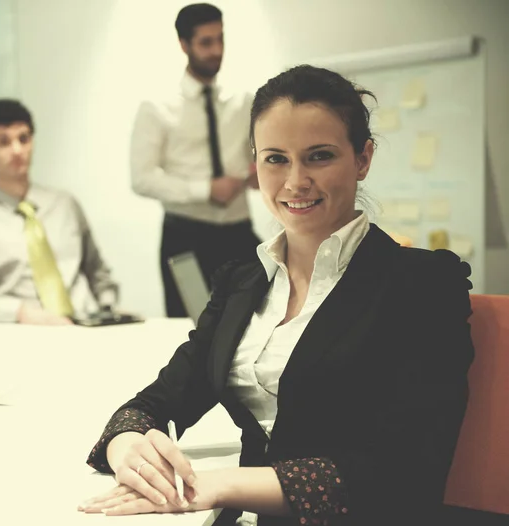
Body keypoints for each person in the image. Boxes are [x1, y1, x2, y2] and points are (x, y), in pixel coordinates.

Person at [79, 65, 474, 525]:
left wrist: (218, 485)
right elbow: (160, 399)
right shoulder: (242, 282)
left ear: (363, 158)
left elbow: (401, 470)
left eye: (319, 156)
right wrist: (127, 445)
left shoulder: (422, 285)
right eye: (276, 158)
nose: (294, 181)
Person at [0, 99, 119, 325]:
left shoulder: (64, 204)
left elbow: (98, 273)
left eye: (24, 138)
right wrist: (19, 313)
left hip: (87, 327)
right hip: (19, 337)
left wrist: (108, 308)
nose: (18, 150)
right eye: (3, 142)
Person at [130, 3, 261, 318]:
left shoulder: (243, 100)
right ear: (184, 44)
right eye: (206, 42)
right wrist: (205, 189)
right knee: (190, 329)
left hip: (238, 230)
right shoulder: (156, 106)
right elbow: (142, 178)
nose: (216, 50)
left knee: (255, 320)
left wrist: (262, 173)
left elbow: (253, 159)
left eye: (221, 40)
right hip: (186, 237)